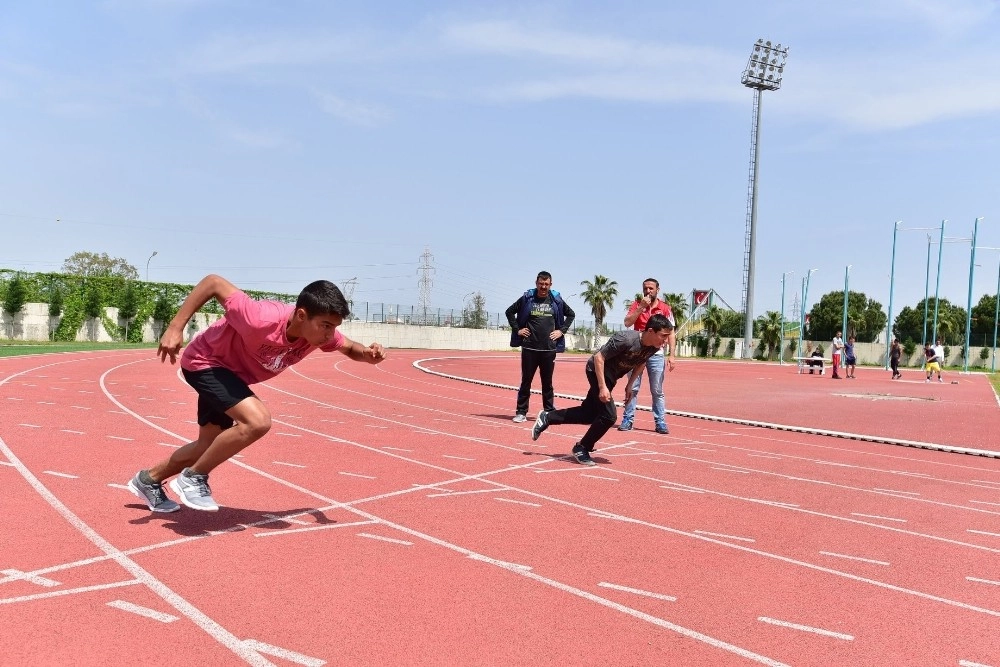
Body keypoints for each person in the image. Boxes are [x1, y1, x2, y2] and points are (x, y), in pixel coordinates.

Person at [127, 274, 387, 513]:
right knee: (257, 421)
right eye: (326, 326)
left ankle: (147, 480)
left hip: (231, 377)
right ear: (301, 315)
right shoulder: (259, 317)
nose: (331, 334)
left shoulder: (318, 334)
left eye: (334, 327)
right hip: (206, 362)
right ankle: (194, 478)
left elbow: (350, 347)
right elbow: (213, 283)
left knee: (208, 446)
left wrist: (367, 355)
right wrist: (175, 326)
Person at [530, 315, 673, 466]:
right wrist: (602, 387)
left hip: (611, 378)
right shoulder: (626, 339)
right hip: (596, 370)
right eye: (663, 336)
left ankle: (548, 417)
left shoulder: (653, 347)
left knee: (589, 414)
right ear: (651, 331)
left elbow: (641, 362)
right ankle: (582, 447)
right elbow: (599, 358)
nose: (665, 341)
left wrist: (630, 385)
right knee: (609, 416)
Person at [505, 271, 576, 423]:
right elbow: (509, 312)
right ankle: (521, 412)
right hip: (530, 348)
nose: (543, 287)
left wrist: (561, 331)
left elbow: (571, 314)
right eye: (541, 284)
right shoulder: (527, 298)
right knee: (526, 381)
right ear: (536, 283)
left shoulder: (556, 300)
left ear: (551, 285)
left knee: (547, 383)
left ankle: (549, 412)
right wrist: (518, 329)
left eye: (546, 284)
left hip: (549, 349)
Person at [618, 278, 676, 434]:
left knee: (657, 390)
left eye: (651, 288)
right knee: (633, 387)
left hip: (656, 354)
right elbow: (627, 323)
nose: (648, 291)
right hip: (637, 352)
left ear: (658, 289)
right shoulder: (637, 305)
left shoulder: (665, 308)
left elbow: (671, 333)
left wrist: (672, 355)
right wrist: (641, 308)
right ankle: (627, 419)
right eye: (645, 288)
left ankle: (660, 422)